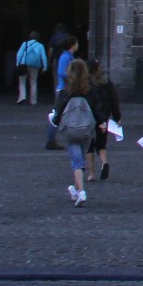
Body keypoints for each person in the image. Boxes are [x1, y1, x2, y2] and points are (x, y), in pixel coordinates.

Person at [51, 58, 96, 206]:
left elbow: (59, 111)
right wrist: (102, 121)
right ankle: (76, 189)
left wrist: (55, 121)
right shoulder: (90, 91)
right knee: (81, 159)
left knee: (77, 160)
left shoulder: (66, 92)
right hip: (87, 129)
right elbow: (98, 108)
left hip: (71, 129)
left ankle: (81, 192)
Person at [88, 59, 122, 182]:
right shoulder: (107, 83)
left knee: (89, 145)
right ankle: (104, 162)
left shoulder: (87, 85)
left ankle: (91, 173)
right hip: (104, 118)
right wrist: (117, 117)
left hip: (90, 118)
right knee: (101, 144)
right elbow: (114, 101)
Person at [15, 32, 47, 105]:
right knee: (33, 82)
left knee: (22, 82)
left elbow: (19, 54)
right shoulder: (40, 45)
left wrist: (17, 64)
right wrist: (44, 67)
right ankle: (33, 101)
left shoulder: (25, 44)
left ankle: (22, 97)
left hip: (24, 65)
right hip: (35, 66)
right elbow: (43, 57)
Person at [52, 34, 79, 100]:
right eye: (77, 43)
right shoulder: (65, 56)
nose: (78, 45)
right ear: (72, 45)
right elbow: (61, 72)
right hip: (63, 89)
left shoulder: (69, 56)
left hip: (67, 88)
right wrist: (73, 77)